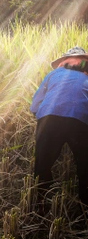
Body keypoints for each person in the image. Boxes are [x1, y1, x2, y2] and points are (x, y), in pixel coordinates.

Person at [30, 46, 88, 206]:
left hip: (48, 117)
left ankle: (40, 201)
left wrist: (40, 117)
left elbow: (35, 104)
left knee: (42, 163)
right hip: (80, 119)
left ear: (63, 62)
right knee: (85, 164)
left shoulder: (53, 74)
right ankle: (85, 201)